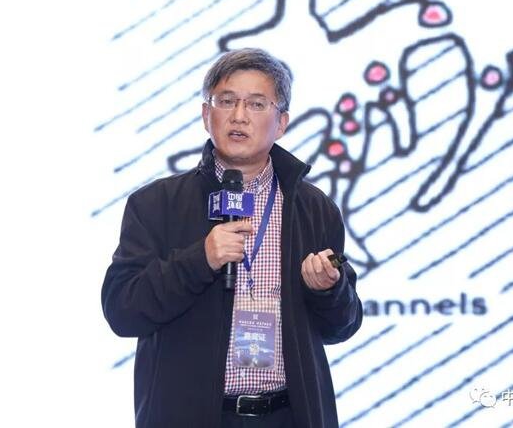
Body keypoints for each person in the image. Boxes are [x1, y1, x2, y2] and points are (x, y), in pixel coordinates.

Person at [101, 48, 363, 428]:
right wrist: (200, 260)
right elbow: (122, 312)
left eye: (256, 104)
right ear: (206, 115)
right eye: (226, 101)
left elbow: (343, 326)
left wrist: (328, 290)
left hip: (288, 416)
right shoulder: (155, 204)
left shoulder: (314, 208)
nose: (239, 116)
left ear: (281, 122)